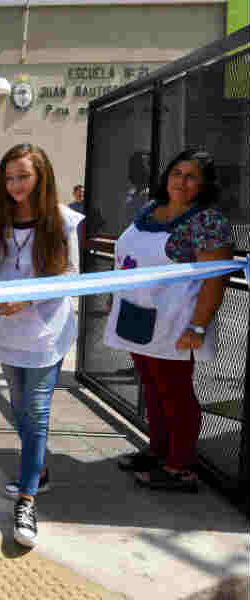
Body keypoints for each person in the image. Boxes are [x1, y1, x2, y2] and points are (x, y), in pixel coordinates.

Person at [105, 148, 232, 492]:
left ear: (205, 184)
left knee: (175, 393)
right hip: (136, 316)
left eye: (192, 176)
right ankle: (158, 450)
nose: (182, 182)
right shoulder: (150, 210)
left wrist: (198, 327)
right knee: (152, 387)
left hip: (176, 324)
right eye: (177, 173)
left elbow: (214, 279)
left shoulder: (207, 221)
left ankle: (180, 467)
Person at [0, 143, 82, 548]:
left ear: (41, 177)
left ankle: (26, 498)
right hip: (6, 330)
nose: (15, 184)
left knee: (36, 411)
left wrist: (29, 299)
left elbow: (70, 274)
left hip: (45, 332)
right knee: (20, 406)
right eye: (9, 177)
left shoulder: (62, 220)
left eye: (23, 176)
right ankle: (37, 471)